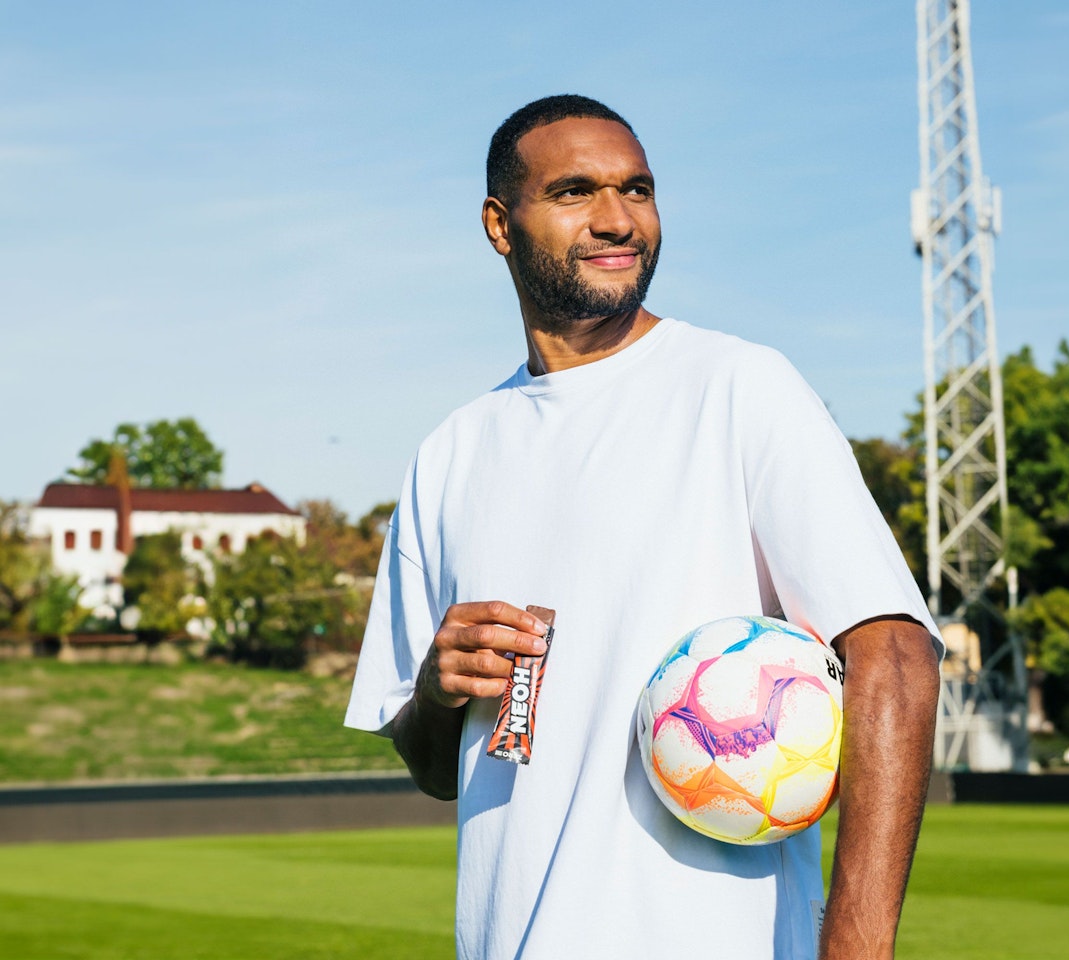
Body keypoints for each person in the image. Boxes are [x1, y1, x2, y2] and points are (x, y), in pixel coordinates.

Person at [345, 94, 942, 960]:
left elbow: (894, 653)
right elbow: (435, 772)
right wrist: (438, 694)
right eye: (576, 191)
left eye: (639, 190)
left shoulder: (739, 388)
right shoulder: (450, 455)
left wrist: (853, 948)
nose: (618, 220)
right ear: (499, 224)